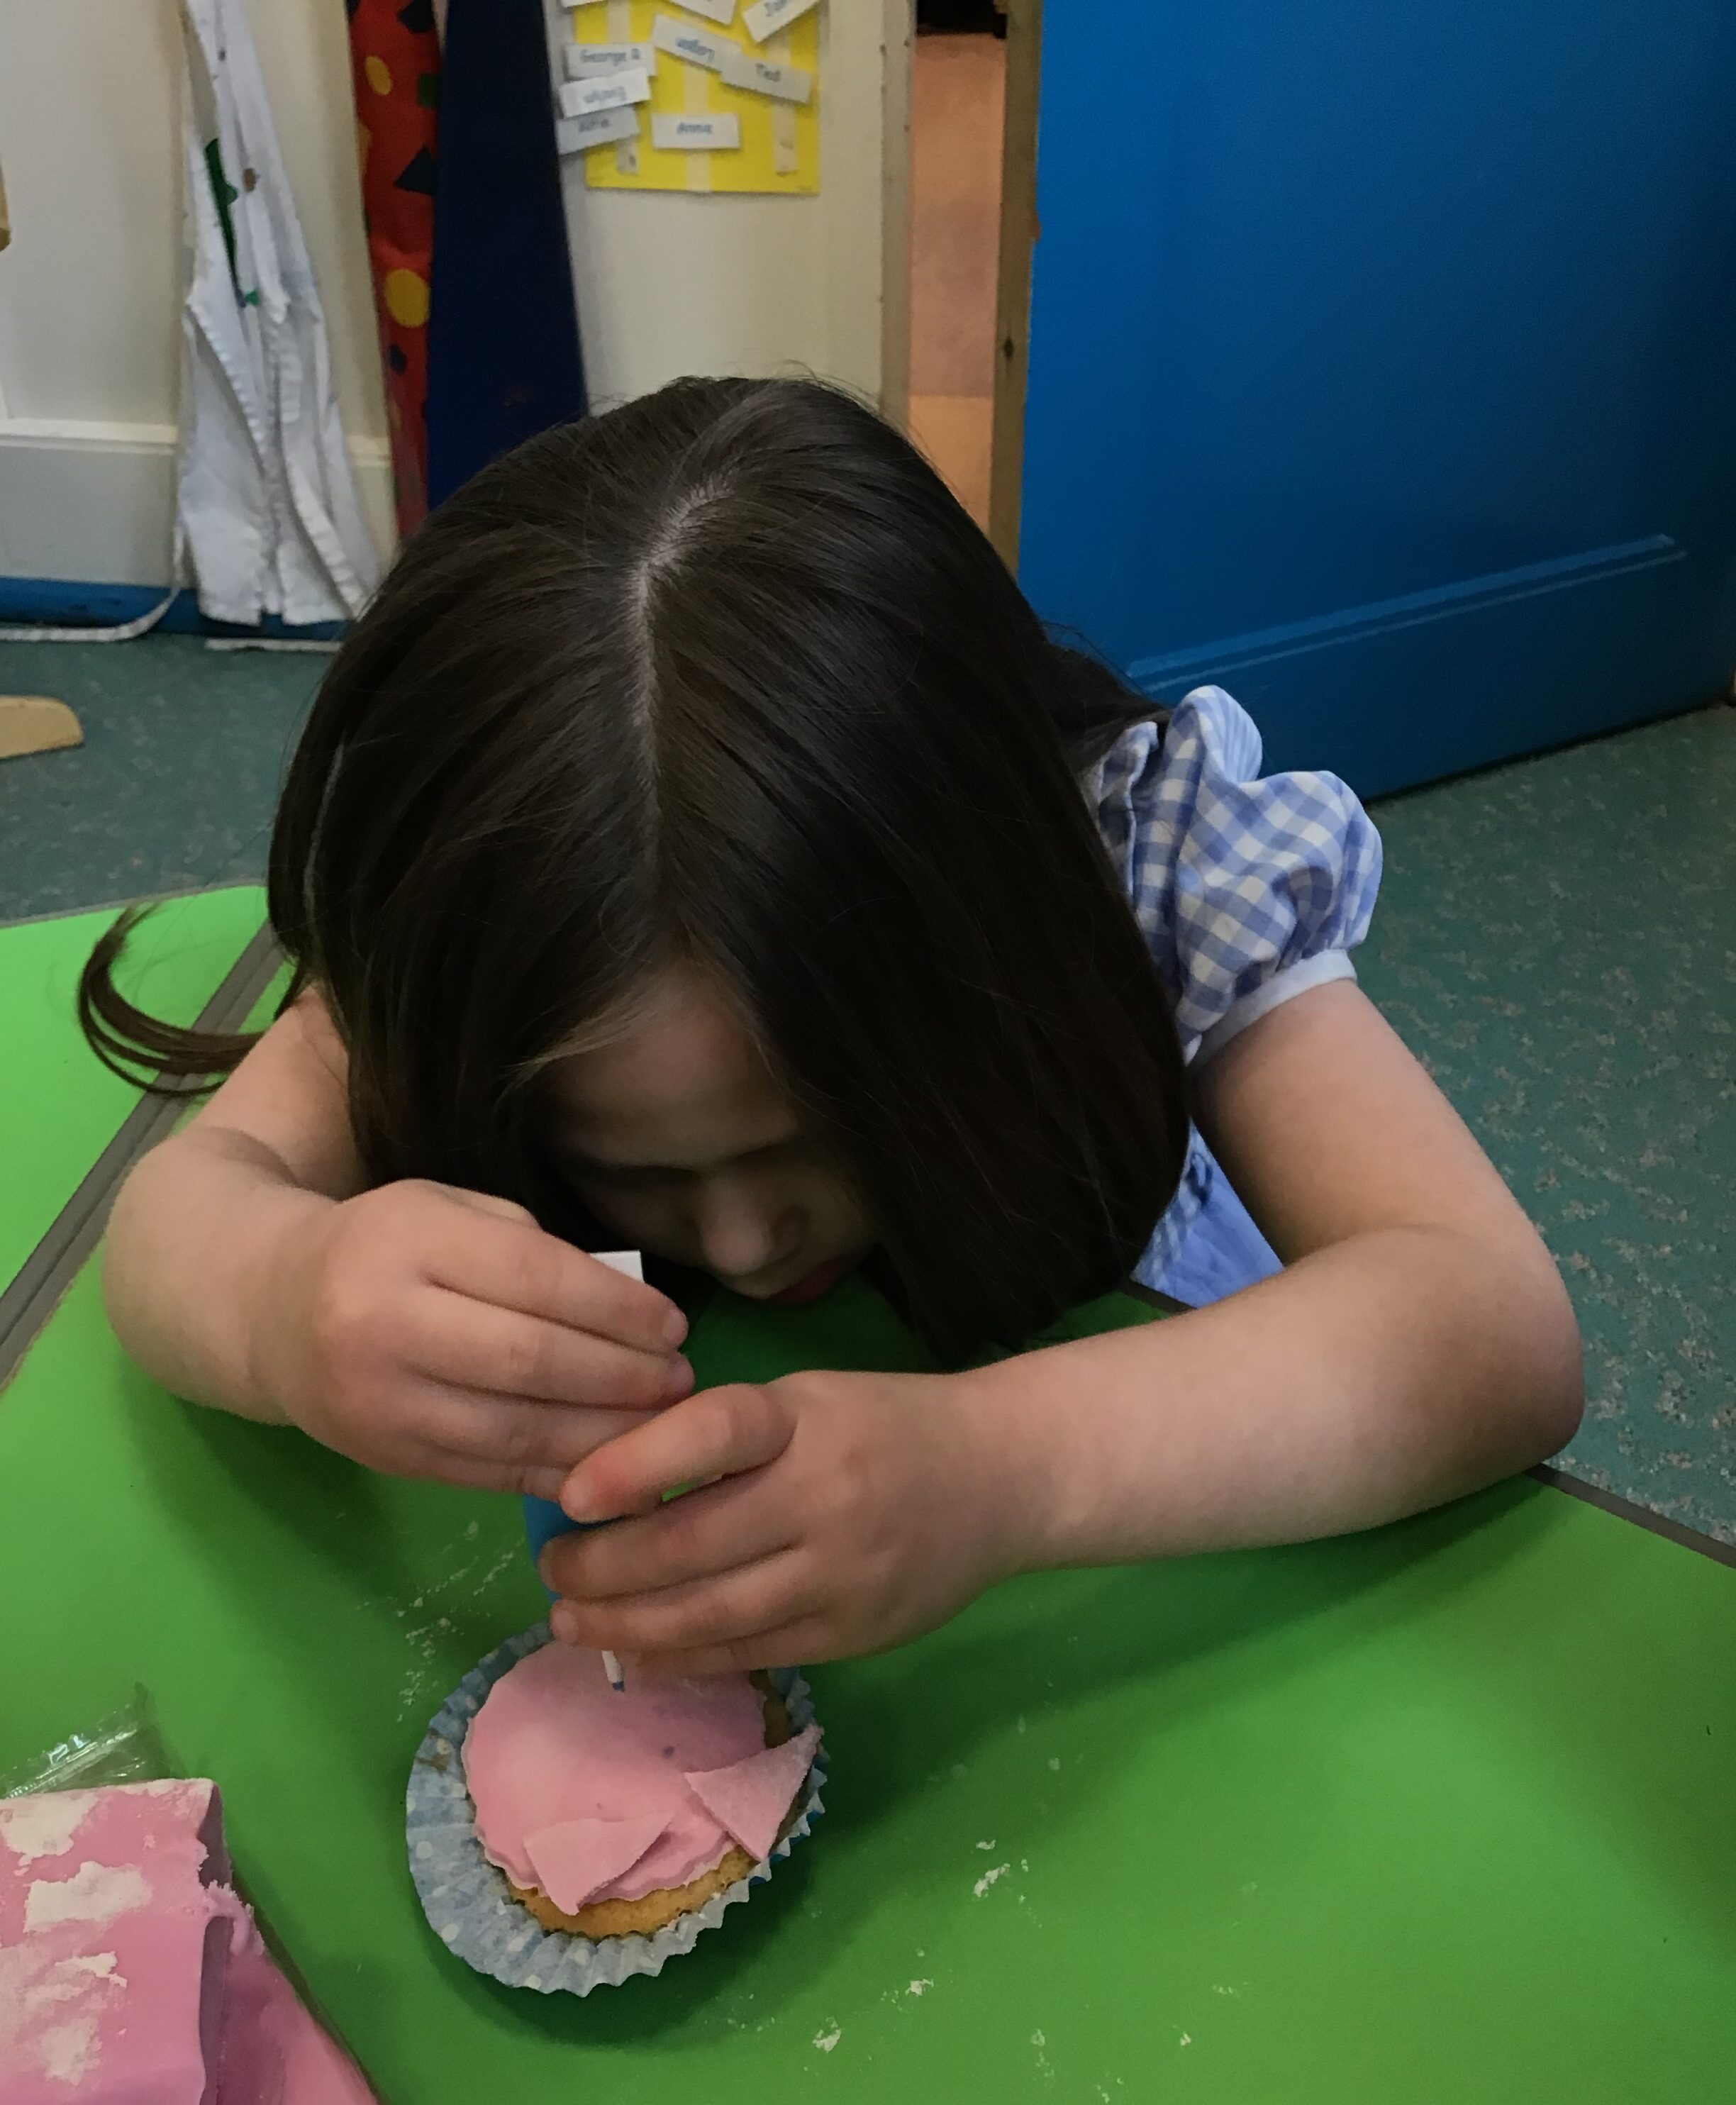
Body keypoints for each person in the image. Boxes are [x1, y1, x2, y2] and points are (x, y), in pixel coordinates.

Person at [83, 376, 1581, 1677]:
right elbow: (178, 1217)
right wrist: (285, 1302)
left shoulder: (1148, 865)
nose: (743, 1243)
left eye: (822, 1133)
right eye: (634, 1166)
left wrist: (1000, 1471)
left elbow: (1491, 1329)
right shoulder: (504, 927)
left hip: (1203, 1463)